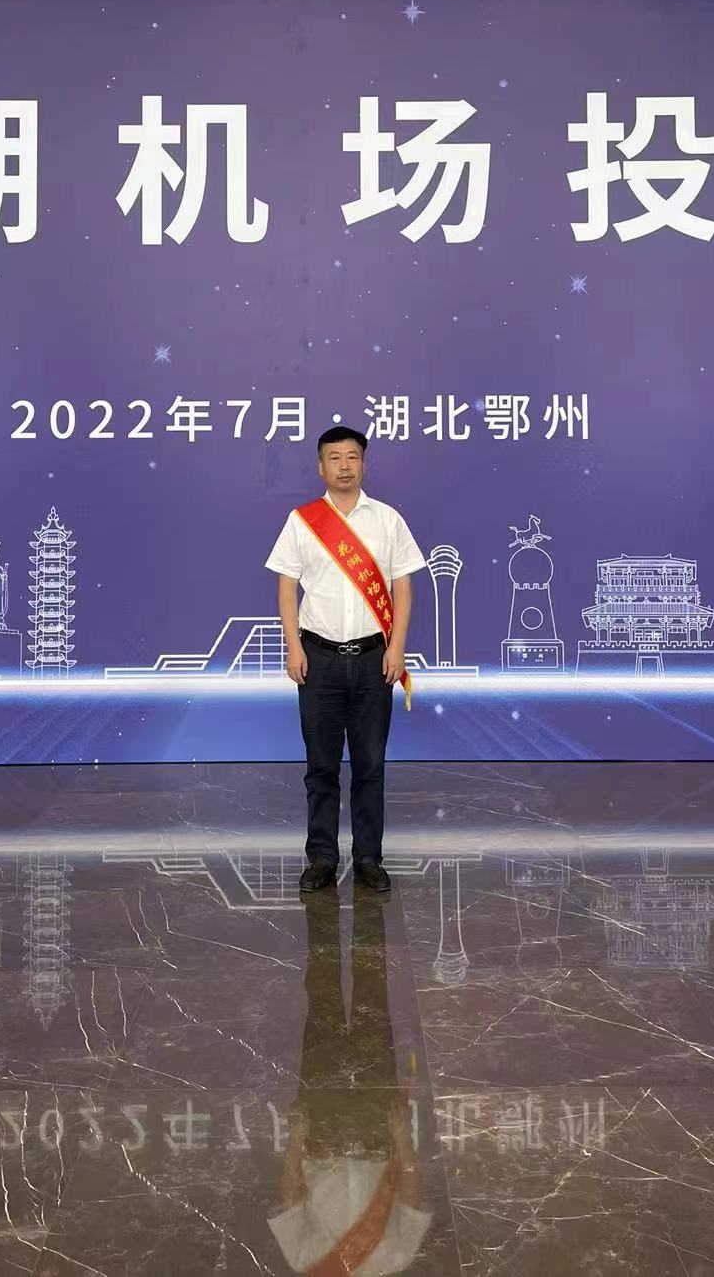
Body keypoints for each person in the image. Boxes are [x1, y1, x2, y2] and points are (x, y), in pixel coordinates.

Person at [265, 427, 425, 894]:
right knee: (322, 766)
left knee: (370, 766)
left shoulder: (388, 520)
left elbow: (403, 588)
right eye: (334, 457)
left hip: (375, 659)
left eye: (352, 456)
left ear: (363, 463)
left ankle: (369, 858)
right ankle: (321, 858)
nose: (344, 465)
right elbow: (286, 587)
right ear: (321, 467)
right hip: (319, 659)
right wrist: (293, 646)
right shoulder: (303, 521)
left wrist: (397, 647)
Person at [268, 890, 432, 1274]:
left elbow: (291, 1199)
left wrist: (297, 1137)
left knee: (323, 999)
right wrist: (401, 1137)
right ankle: (369, 895)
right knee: (372, 995)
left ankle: (320, 897)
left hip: (321, 1132)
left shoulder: (307, 1263)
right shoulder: (395, 1260)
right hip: (377, 1130)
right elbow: (410, 1198)